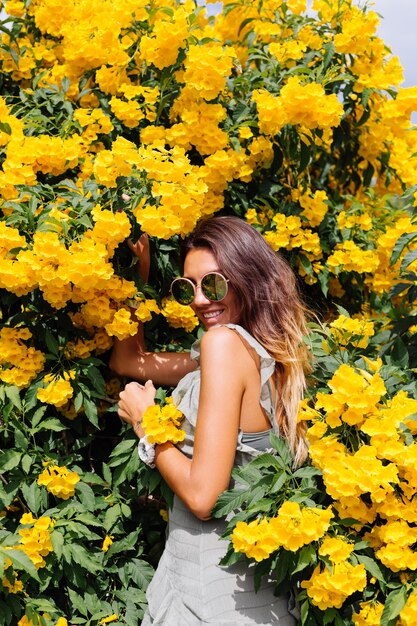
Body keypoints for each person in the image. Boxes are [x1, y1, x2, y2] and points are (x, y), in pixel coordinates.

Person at [111, 215, 310, 625]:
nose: (200, 300)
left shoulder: (222, 346)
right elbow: (129, 360)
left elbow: (204, 498)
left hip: (207, 602)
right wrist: (137, 275)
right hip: (255, 600)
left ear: (248, 278)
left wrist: (149, 425)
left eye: (214, 284)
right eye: (188, 288)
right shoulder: (267, 359)